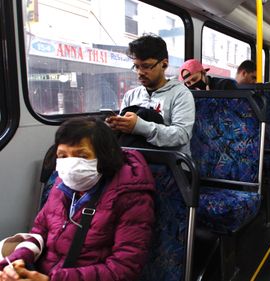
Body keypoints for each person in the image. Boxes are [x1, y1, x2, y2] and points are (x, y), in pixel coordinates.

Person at [0, 117, 155, 281]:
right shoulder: (61, 184)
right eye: (63, 156)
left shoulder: (131, 196)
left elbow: (124, 268)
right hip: (45, 271)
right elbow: (40, 232)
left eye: (81, 155)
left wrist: (50, 279)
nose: (71, 165)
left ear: (104, 157)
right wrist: (18, 260)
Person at [105, 34, 195, 155]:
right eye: (136, 67)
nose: (140, 72)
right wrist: (116, 127)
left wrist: (140, 127)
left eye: (146, 66)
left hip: (172, 163)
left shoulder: (181, 94)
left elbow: (182, 135)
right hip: (135, 160)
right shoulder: (131, 95)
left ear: (164, 64)